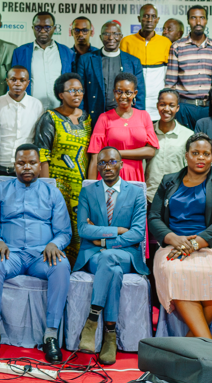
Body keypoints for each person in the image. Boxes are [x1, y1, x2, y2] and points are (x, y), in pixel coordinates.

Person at [148, 133, 212, 339]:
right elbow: (154, 217)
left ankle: (191, 342)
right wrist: (173, 238)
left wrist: (196, 243)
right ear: (186, 155)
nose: (201, 157)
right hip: (174, 244)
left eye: (206, 154)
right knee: (172, 271)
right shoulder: (169, 181)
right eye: (195, 153)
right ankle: (208, 344)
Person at [0, 144, 73, 364]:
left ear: (40, 166)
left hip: (42, 256)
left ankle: (51, 335)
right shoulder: (0, 190)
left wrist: (54, 244)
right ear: (14, 166)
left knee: (61, 266)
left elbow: (64, 232)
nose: (27, 167)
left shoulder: (52, 193)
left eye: (32, 163)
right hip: (10, 254)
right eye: (21, 163)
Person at [74, 147, 148, 365]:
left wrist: (105, 241)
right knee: (112, 270)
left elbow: (138, 233)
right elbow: (83, 229)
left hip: (126, 254)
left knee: (109, 258)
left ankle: (92, 319)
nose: (107, 166)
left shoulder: (136, 193)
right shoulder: (88, 192)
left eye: (112, 162)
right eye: (102, 162)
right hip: (94, 254)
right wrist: (118, 230)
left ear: (121, 164)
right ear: (97, 166)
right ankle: (110, 334)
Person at [32, 73, 92, 255]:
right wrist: (47, 189)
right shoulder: (50, 117)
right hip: (58, 187)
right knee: (57, 227)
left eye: (80, 90)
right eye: (72, 90)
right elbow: (43, 155)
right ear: (60, 94)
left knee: (81, 231)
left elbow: (93, 153)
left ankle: (77, 270)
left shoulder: (88, 118)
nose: (77, 94)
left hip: (82, 188)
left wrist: (90, 187)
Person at [88, 73, 159, 182]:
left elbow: (151, 151)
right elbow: (95, 158)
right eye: (119, 91)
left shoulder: (144, 116)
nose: (123, 96)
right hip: (109, 177)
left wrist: (114, 153)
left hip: (135, 176)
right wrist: (90, 187)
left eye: (128, 92)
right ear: (114, 92)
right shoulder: (104, 118)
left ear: (135, 93)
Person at [163, 6, 212, 127]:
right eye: (193, 18)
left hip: (209, 108)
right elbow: (170, 83)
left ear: (206, 20)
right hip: (184, 108)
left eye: (201, 18)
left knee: (209, 139)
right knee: (184, 139)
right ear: (188, 20)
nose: (198, 22)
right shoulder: (177, 47)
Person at [75, 21, 145, 123]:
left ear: (121, 37)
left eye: (115, 34)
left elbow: (140, 95)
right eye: (106, 34)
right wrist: (81, 117)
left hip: (125, 118)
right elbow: (80, 91)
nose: (111, 38)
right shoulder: (86, 60)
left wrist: (138, 120)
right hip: (94, 117)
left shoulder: (133, 62)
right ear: (100, 37)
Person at [11, 11, 75, 107]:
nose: (42, 31)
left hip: (60, 109)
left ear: (54, 28)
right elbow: (13, 82)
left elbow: (73, 83)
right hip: (30, 109)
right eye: (38, 27)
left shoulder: (67, 52)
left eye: (47, 27)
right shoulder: (20, 52)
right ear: (33, 28)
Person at [0, 66, 42, 179]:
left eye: (22, 80)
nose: (17, 83)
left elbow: (38, 139)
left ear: (28, 83)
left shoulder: (36, 105)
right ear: (7, 81)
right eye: (13, 79)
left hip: (26, 170)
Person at [122, 4, 172, 117]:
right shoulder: (126, 41)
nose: (149, 20)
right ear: (139, 18)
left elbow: (168, 74)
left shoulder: (165, 43)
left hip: (157, 99)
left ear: (157, 20)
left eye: (153, 16)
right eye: (146, 16)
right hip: (133, 99)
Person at [147, 90, 193, 202]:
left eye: (171, 105)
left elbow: (191, 169)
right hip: (150, 195)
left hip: (177, 196)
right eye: (163, 104)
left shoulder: (188, 135)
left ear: (177, 108)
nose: (166, 109)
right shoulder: (147, 133)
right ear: (157, 106)